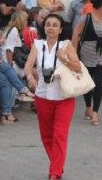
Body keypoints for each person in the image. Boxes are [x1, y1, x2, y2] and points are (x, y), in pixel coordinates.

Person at [24, 14, 81, 180]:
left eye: (55, 25)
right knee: (46, 136)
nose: (51, 27)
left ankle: (54, 173)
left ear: (61, 29)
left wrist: (64, 59)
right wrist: (30, 78)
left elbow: (77, 67)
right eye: (48, 24)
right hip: (42, 95)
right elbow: (28, 66)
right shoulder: (37, 44)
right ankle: (57, 166)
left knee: (59, 135)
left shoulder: (66, 45)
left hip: (64, 96)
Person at [72, 0, 102, 125]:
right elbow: (76, 36)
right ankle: (88, 105)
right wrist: (74, 56)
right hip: (87, 54)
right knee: (88, 84)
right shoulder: (86, 18)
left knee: (99, 83)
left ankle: (95, 112)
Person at [4, 10, 29, 77]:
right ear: (21, 21)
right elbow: (9, 49)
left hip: (16, 62)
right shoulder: (14, 30)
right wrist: (10, 67)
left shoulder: (13, 29)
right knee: (33, 72)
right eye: (26, 20)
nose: (27, 22)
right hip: (12, 63)